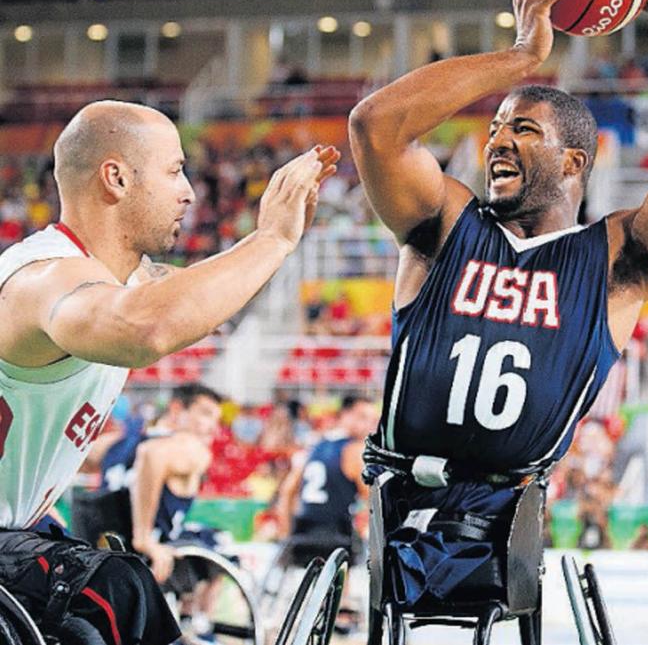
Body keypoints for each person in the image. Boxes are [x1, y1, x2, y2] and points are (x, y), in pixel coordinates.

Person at [349, 0, 648, 603]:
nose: (498, 140)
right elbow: (374, 126)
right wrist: (519, 57)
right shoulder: (444, 221)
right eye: (497, 126)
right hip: (402, 504)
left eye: (524, 129)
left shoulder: (616, 259)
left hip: (511, 521)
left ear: (575, 160)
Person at [0, 100, 339, 645]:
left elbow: (182, 302)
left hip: (20, 527)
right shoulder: (44, 279)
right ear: (116, 178)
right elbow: (148, 328)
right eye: (174, 170)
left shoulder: (119, 280)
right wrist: (272, 238)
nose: (189, 191)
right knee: (116, 588)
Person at [85, 384, 225, 582]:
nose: (213, 427)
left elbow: (68, 456)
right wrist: (143, 538)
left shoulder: (117, 441)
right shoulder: (191, 446)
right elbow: (151, 454)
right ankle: (197, 611)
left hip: (101, 549)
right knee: (220, 544)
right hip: (147, 556)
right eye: (206, 414)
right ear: (176, 409)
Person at [275, 395, 380, 545]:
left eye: (373, 419)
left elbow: (287, 491)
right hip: (336, 537)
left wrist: (285, 535)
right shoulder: (355, 450)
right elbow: (372, 499)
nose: (369, 424)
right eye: (363, 417)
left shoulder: (314, 445)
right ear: (346, 415)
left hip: (301, 534)